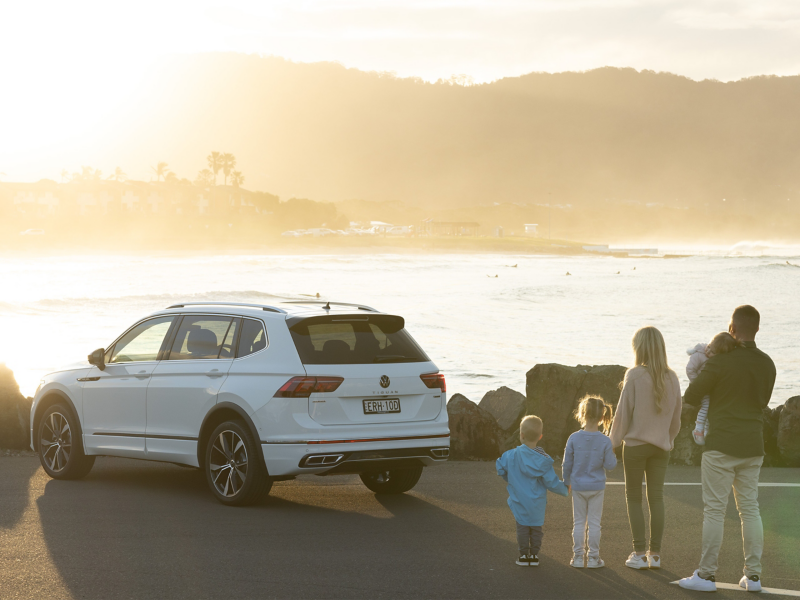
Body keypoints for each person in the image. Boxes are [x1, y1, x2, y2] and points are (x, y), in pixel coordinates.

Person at [678, 306, 776, 593]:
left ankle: (706, 575)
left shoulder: (720, 362)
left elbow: (692, 395)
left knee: (715, 511)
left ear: (731, 329)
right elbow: (762, 400)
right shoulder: (767, 363)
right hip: (752, 445)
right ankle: (753, 576)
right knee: (750, 510)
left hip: (721, 444)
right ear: (757, 329)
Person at [609, 326, 682, 570]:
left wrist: (612, 442)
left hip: (636, 446)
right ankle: (656, 555)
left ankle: (639, 554)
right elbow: (676, 419)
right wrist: (667, 440)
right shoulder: (672, 377)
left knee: (634, 498)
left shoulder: (635, 375)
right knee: (657, 498)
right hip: (661, 447)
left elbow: (621, 415)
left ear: (639, 347)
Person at [496, 415, 569, 567]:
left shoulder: (511, 455)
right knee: (536, 528)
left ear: (521, 435)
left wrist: (509, 478)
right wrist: (565, 488)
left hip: (519, 499)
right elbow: (551, 482)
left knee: (522, 527)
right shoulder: (543, 459)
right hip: (537, 502)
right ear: (540, 437)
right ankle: (534, 555)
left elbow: (500, 467)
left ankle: (523, 555)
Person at [562, 396, 617, 569]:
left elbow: (566, 463)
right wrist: (612, 452)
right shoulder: (605, 441)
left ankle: (578, 557)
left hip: (578, 486)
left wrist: (566, 481)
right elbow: (610, 465)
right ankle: (593, 558)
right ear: (602, 417)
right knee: (594, 523)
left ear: (582, 414)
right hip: (597, 487)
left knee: (578, 523)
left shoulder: (573, 438)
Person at [686, 332, 740, 445]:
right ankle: (698, 430)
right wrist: (697, 382)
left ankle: (705, 431)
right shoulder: (699, 355)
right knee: (706, 405)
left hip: (708, 386)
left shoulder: (716, 360)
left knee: (711, 406)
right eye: (709, 347)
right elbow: (690, 369)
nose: (708, 351)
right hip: (701, 385)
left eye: (712, 352)